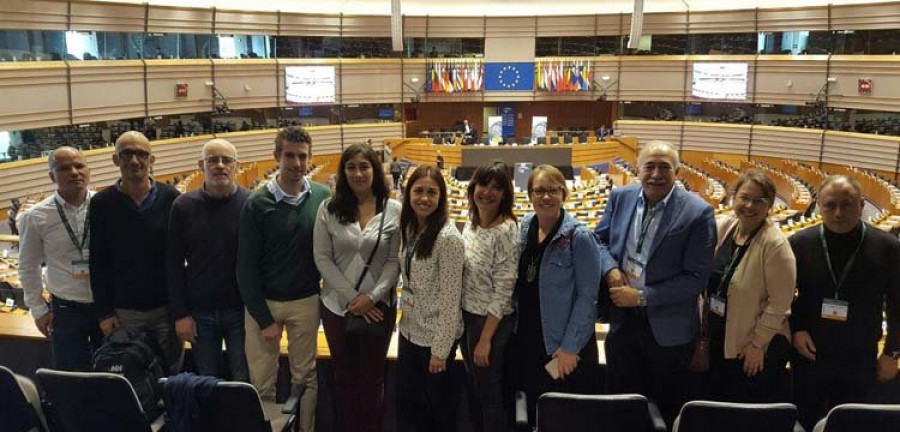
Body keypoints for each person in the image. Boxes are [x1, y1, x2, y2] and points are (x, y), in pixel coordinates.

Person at [593, 140, 716, 426]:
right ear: (637, 169)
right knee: (620, 404)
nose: (656, 174)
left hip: (668, 330)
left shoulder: (698, 212)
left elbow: (696, 279)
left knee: (662, 408)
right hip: (623, 321)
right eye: (649, 166)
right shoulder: (621, 196)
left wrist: (641, 297)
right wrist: (611, 268)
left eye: (665, 167)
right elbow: (598, 240)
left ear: (678, 171)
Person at [789, 175, 900, 431]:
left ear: (862, 204)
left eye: (847, 204)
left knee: (852, 422)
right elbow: (785, 296)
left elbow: (897, 304)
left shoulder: (888, 247)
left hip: (858, 356)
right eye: (830, 205)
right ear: (818, 205)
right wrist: (796, 328)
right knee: (804, 419)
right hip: (809, 353)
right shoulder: (800, 243)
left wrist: (892, 352)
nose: (838, 213)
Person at [238, 126, 330, 432]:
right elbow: (245, 267)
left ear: (310, 158)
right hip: (263, 304)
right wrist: (264, 319)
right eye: (289, 155)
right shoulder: (256, 203)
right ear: (276, 156)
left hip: (305, 301)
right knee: (262, 381)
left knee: (306, 378)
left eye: (302, 156)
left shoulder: (321, 196)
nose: (296, 162)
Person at [313, 143, 401, 432]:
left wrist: (372, 298)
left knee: (373, 379)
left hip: (379, 309)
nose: (358, 173)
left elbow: (393, 261)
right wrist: (354, 299)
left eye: (364, 166)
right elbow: (322, 258)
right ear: (343, 172)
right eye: (351, 167)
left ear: (375, 170)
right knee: (344, 378)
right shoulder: (328, 208)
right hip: (337, 307)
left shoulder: (394, 210)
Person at [513, 165, 602, 426]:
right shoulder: (526, 226)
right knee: (533, 412)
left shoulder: (580, 236)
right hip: (529, 340)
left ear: (564, 194)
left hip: (562, 348)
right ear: (529, 195)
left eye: (553, 190)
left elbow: (588, 298)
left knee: (564, 419)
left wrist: (570, 347)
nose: (546, 197)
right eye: (539, 190)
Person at [89, 131, 183, 372]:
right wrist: (104, 314)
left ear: (152, 160)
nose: (134, 160)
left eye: (141, 154)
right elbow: (97, 261)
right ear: (115, 159)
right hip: (124, 313)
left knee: (171, 372)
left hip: (165, 310)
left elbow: (179, 258)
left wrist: (182, 310)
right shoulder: (101, 203)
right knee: (130, 374)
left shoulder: (171, 198)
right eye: (126, 154)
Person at [707, 170, 794, 403]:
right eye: (744, 197)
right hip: (721, 336)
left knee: (742, 412)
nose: (749, 205)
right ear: (733, 198)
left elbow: (780, 304)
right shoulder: (726, 228)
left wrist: (758, 345)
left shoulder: (775, 244)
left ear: (770, 206)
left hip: (752, 349)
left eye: (759, 201)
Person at [166, 139, 250, 381]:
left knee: (243, 379)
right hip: (200, 313)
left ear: (237, 165)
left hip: (241, 312)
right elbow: (173, 265)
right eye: (213, 160)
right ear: (201, 165)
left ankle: (240, 421)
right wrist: (181, 314)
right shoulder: (182, 206)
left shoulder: (251, 203)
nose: (220, 165)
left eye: (227, 160)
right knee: (207, 382)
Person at [18, 146, 101, 371]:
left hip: (106, 307)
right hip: (66, 312)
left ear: (89, 170)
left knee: (111, 370)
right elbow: (28, 267)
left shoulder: (105, 205)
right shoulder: (35, 217)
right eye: (64, 168)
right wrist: (38, 310)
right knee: (70, 375)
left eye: (80, 166)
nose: (74, 172)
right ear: (51, 175)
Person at [396, 164, 464, 432]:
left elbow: (451, 300)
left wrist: (440, 352)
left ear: (441, 197)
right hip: (409, 332)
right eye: (418, 191)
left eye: (431, 192)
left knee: (438, 414)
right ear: (408, 193)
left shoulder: (448, 238)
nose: (424, 198)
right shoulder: (411, 228)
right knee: (410, 409)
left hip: (435, 339)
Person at [459, 162, 518, 432]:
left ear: (505, 194)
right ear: (473, 188)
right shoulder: (470, 225)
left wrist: (485, 340)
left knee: (489, 394)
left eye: (497, 187)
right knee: (475, 386)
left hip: (489, 324)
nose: (488, 192)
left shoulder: (506, 230)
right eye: (483, 184)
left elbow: (504, 291)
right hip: (468, 319)